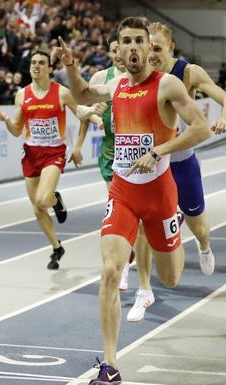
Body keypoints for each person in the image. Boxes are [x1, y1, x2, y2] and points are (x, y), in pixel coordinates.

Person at [53, 16, 211, 384]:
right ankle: (110, 367)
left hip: (160, 196)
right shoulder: (117, 85)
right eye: (127, 41)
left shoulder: (167, 85)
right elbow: (81, 96)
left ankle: (183, 235)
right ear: (119, 50)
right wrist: (72, 68)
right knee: (109, 272)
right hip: (123, 193)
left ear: (148, 48)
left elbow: (201, 128)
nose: (135, 48)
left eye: (141, 41)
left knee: (170, 278)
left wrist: (160, 150)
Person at [124, 21, 226, 323]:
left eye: (157, 49)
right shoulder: (139, 76)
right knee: (144, 228)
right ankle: (143, 289)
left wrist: (224, 117)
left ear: (169, 48)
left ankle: (203, 246)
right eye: (149, 49)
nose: (151, 56)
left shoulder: (188, 73)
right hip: (151, 167)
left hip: (182, 163)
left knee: (197, 225)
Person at [0, 49, 105, 270]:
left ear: (49, 68)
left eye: (41, 63)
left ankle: (56, 200)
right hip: (31, 154)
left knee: (43, 200)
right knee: (37, 209)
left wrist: (95, 117)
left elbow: (80, 110)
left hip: (53, 154)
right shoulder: (22, 94)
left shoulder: (61, 92)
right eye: (33, 63)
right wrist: (6, 121)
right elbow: (17, 131)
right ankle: (57, 248)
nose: (36, 66)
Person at [88, 30, 135, 291]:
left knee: (138, 212)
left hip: (138, 151)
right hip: (110, 152)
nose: (119, 54)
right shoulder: (100, 78)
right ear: (110, 52)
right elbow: (82, 105)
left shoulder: (139, 77)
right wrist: (92, 115)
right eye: (115, 49)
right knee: (118, 208)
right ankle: (124, 264)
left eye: (123, 48)